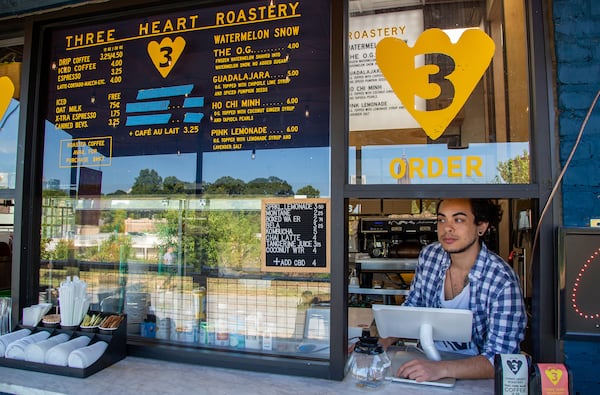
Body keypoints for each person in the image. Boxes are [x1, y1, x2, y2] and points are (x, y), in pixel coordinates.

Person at [381, 198, 527, 382]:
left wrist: (440, 370)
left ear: (481, 226)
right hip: (426, 366)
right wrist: (381, 341)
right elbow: (413, 307)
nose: (447, 228)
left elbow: (501, 359)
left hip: (475, 378)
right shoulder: (430, 256)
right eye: (441, 220)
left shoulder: (502, 281)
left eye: (458, 220)